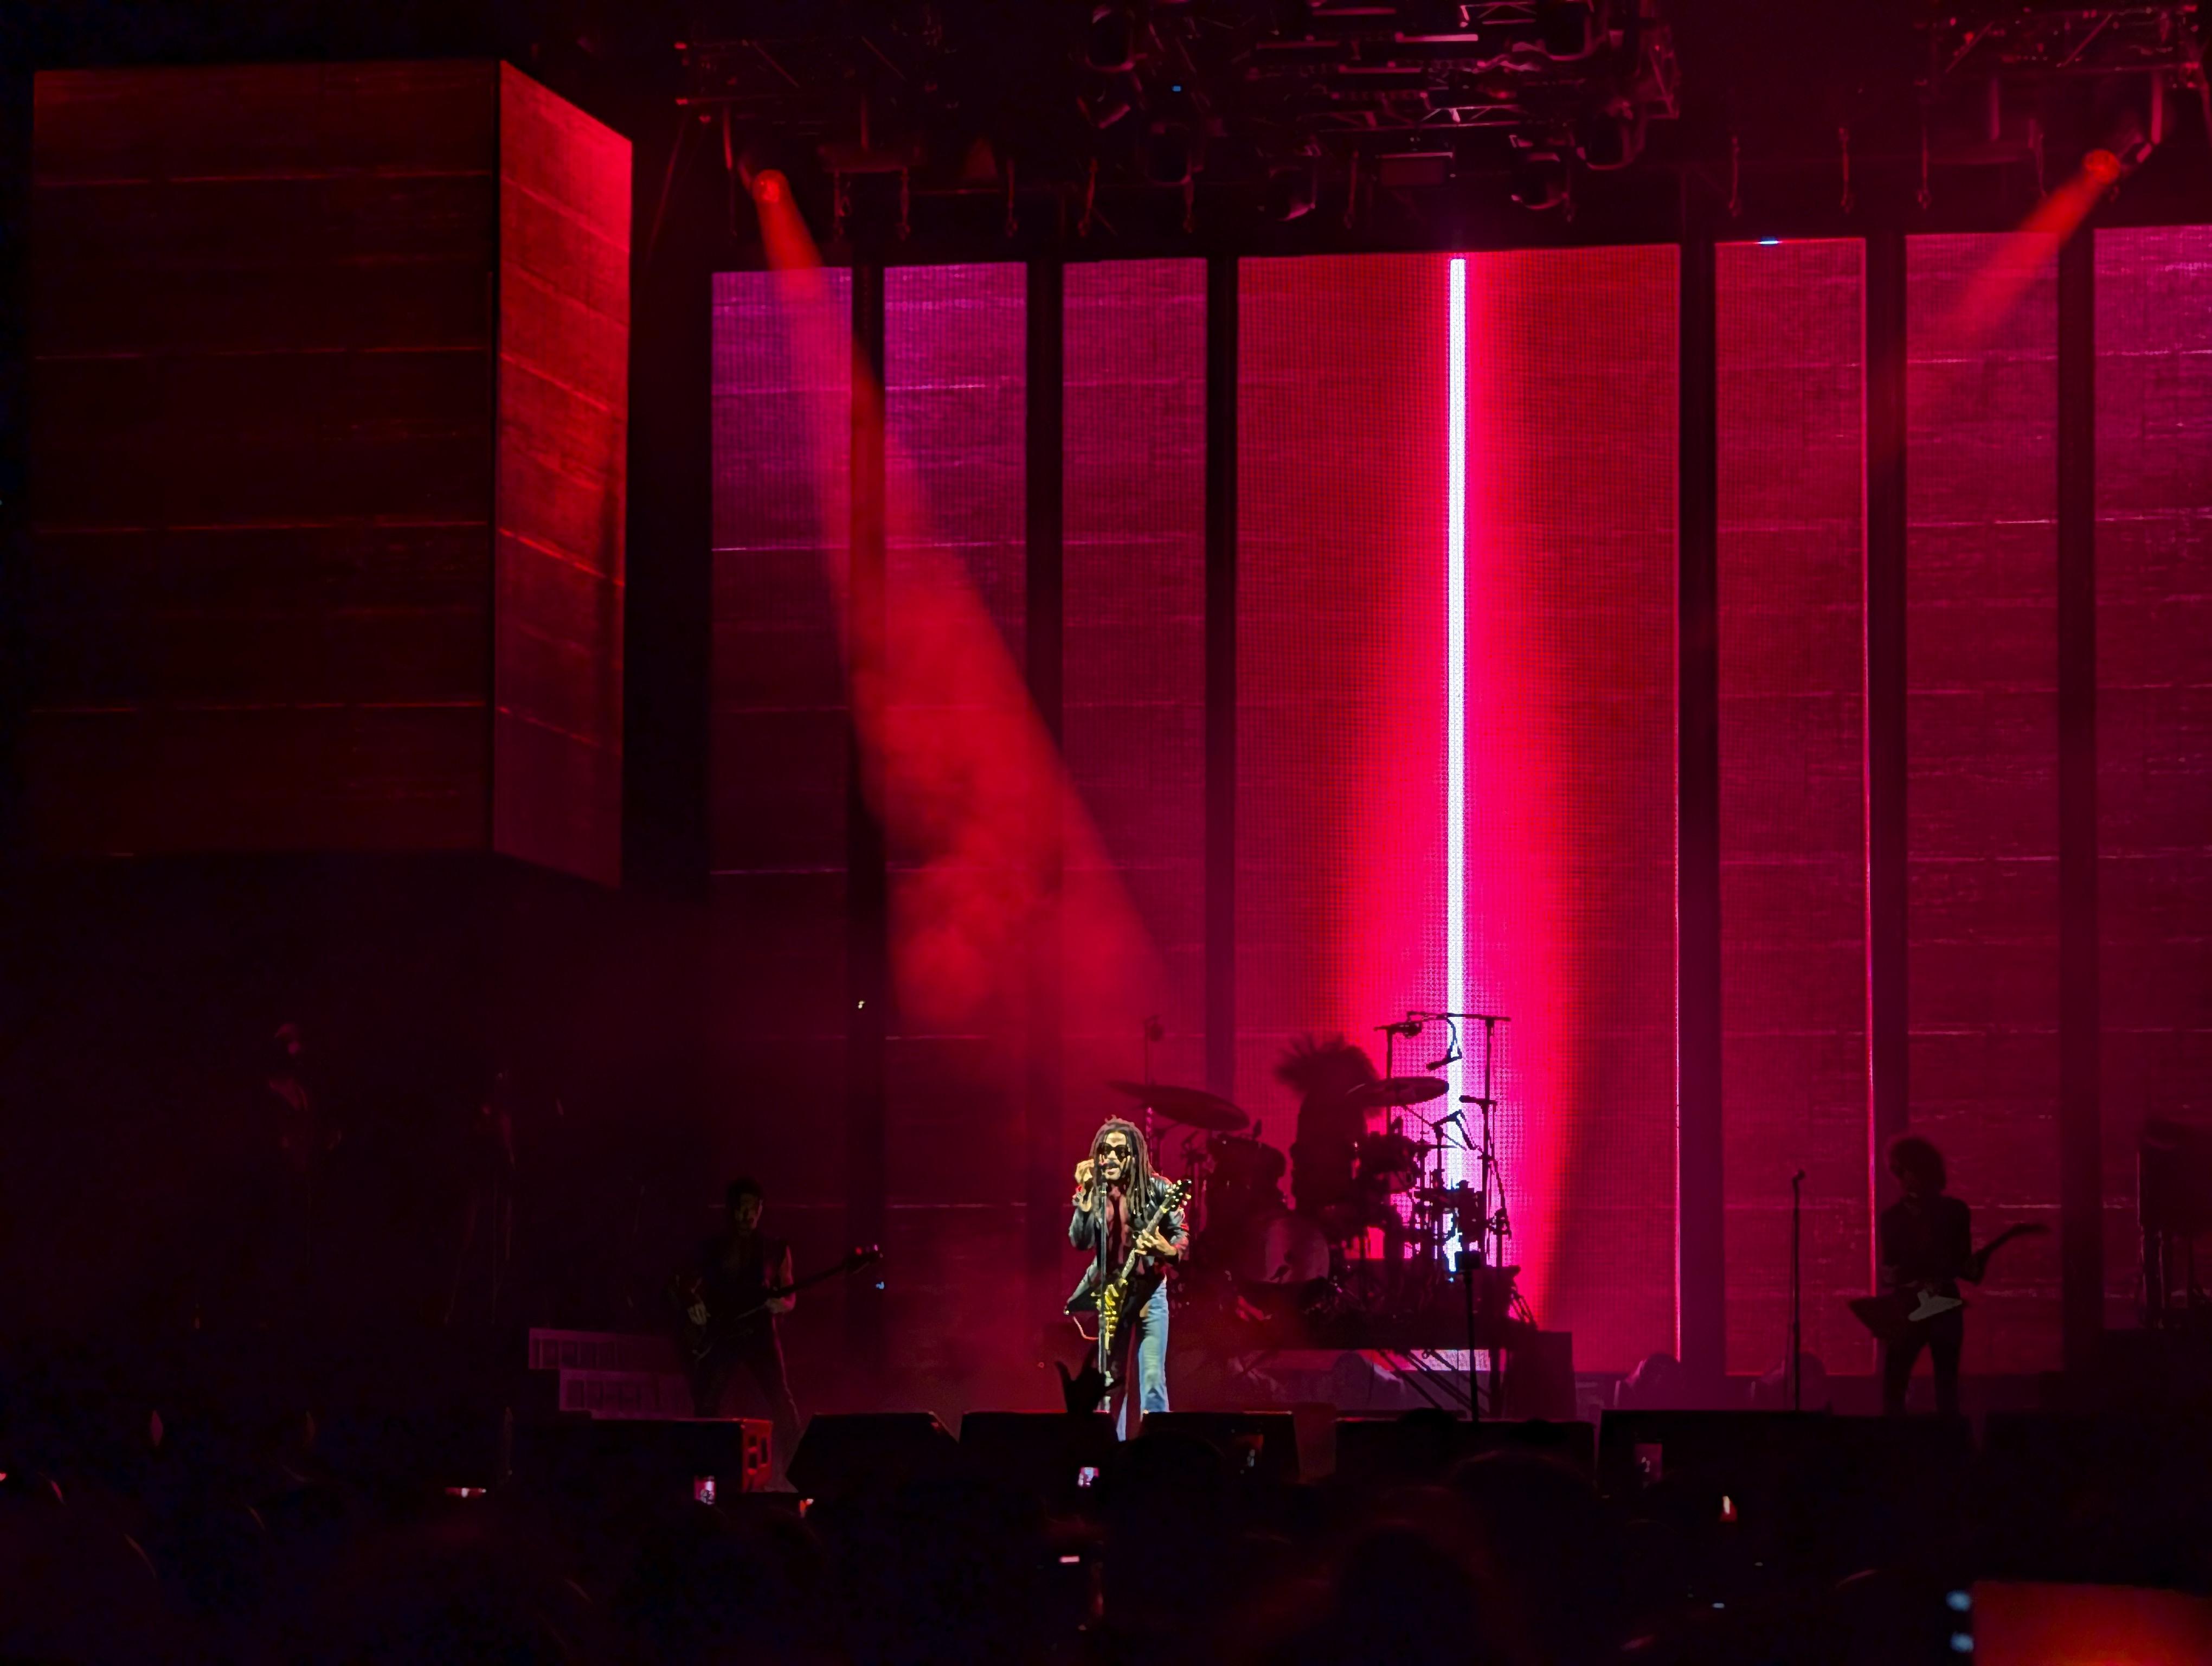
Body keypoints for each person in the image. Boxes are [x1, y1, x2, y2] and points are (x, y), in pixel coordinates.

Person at [1068, 1118, 1186, 1436]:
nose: (1111, 1158)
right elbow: (1080, 1241)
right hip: (1112, 1295)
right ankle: (1110, 1449)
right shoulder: (1096, 1191)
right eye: (1105, 1151)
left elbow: (1182, 1235)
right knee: (1110, 1380)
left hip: (1149, 1293)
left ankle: (1157, 1451)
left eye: (1120, 1152)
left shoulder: (1158, 1188)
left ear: (1134, 1156)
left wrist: (1168, 1249)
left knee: (1152, 1378)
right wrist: (1085, 1197)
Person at [683, 1177, 802, 1472]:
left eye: (751, 1208)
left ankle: (796, 1472)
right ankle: (705, 1476)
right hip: (722, 1331)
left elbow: (790, 1292)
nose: (746, 1215)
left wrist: (783, 1304)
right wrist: (692, 1302)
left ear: (760, 1209)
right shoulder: (712, 1247)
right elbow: (685, 1283)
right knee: (707, 1401)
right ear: (730, 1209)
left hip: (760, 1332)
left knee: (781, 1399)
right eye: (740, 1208)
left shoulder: (775, 1248)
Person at [1877, 1135, 1972, 1418]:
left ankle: (1901, 1437)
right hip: (1926, 1302)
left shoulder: (1950, 1212)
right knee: (1903, 1383)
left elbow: (1960, 1260)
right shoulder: (1951, 1212)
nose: (1900, 1178)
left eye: (1903, 1170)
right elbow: (1892, 1267)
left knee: (1938, 1384)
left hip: (1923, 1303)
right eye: (1897, 1171)